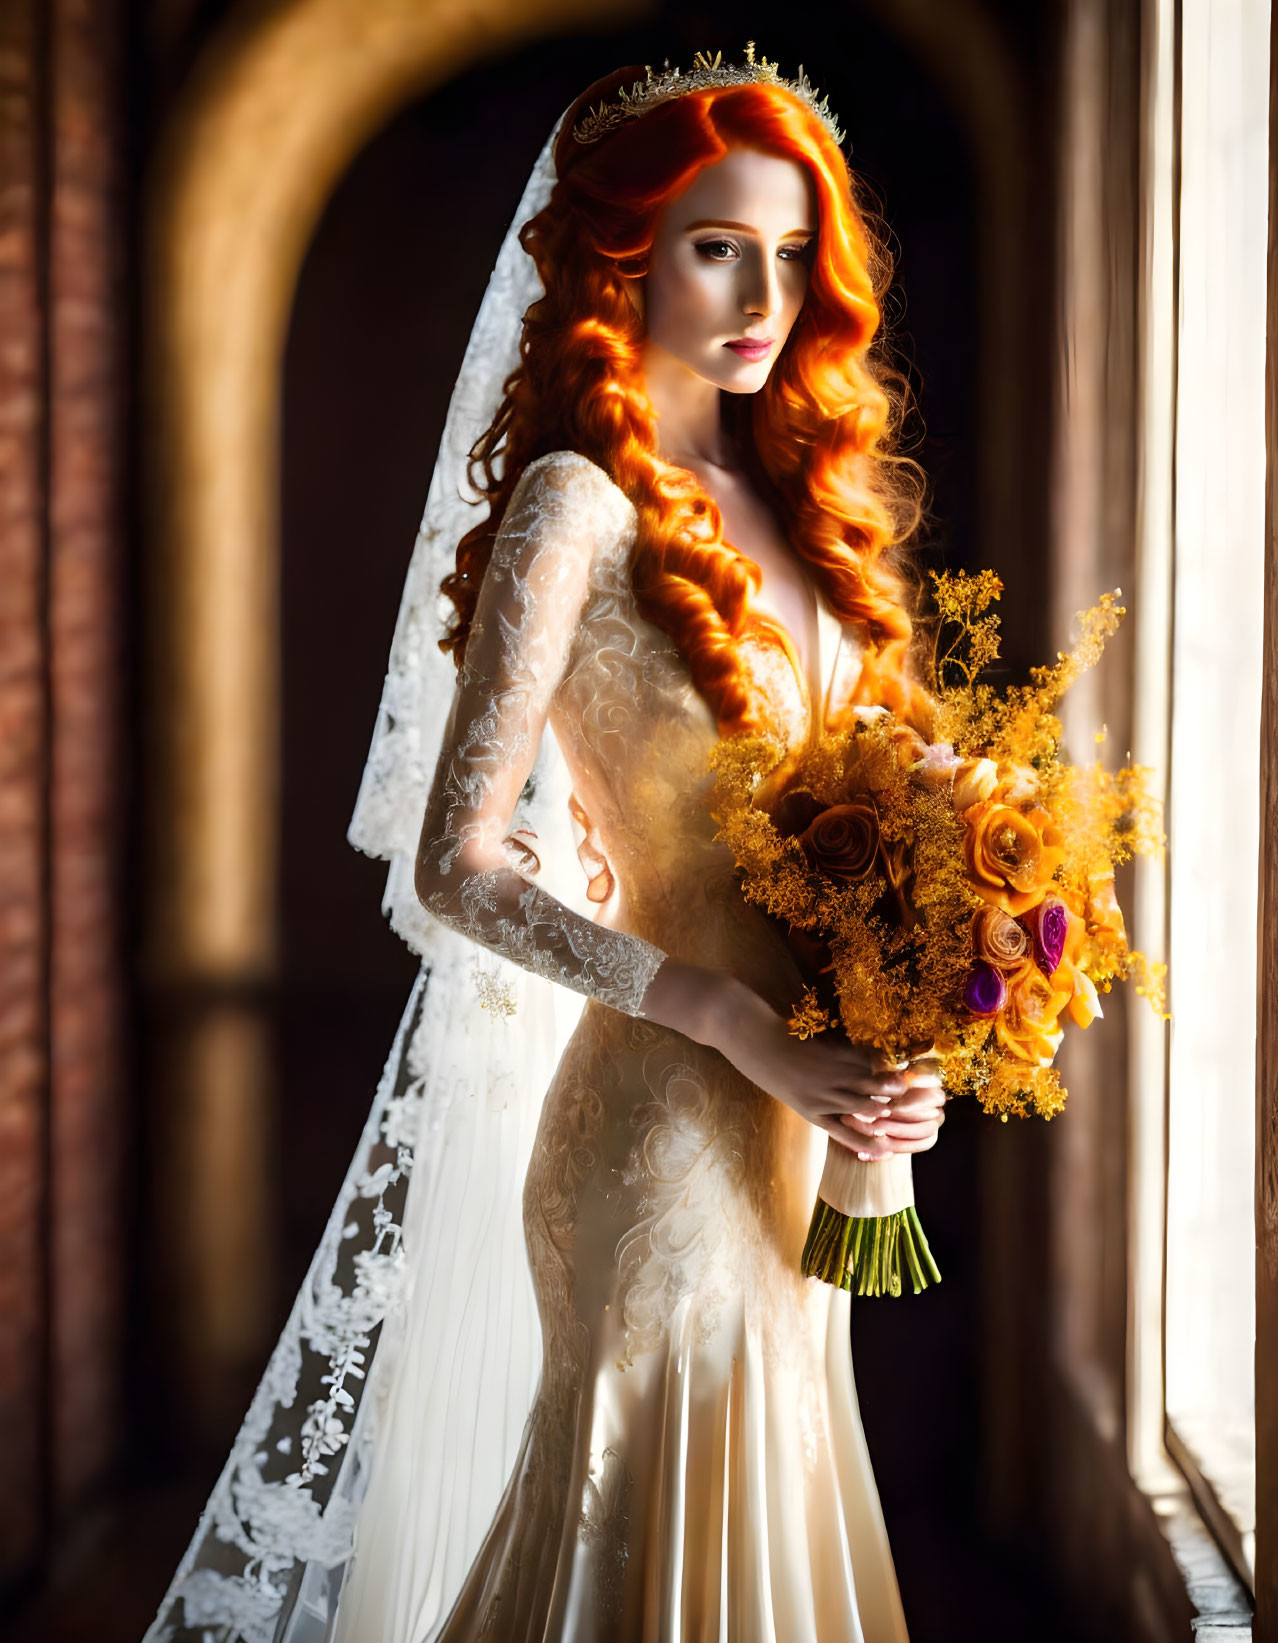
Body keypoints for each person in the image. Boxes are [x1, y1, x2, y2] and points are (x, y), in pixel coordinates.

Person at [144, 48, 946, 1643]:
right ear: (623, 255)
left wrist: (914, 1016)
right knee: (636, 1520)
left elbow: (869, 834)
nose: (761, 292)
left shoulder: (799, 509)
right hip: (656, 1114)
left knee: (775, 1501)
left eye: (790, 253)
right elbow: (457, 864)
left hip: (815, 1128)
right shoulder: (573, 508)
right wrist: (731, 1023)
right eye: (718, 244)